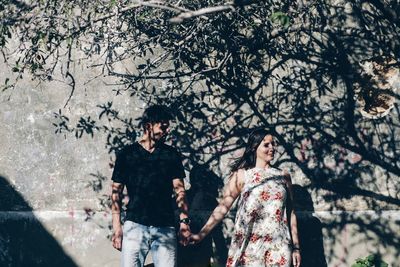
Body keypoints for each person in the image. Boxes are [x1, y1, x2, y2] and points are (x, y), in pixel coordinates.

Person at [189, 129, 301, 267]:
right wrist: (201, 234)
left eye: (273, 144)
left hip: (279, 245)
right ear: (255, 148)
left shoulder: (283, 176)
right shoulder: (242, 175)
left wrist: (296, 248)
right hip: (250, 246)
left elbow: (291, 212)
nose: (272, 148)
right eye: (266, 145)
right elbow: (223, 208)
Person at [110, 104, 191, 267]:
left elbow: (180, 191)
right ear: (148, 126)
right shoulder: (127, 154)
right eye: (163, 126)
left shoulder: (171, 154)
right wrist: (117, 227)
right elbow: (116, 192)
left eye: (168, 127)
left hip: (165, 226)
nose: (167, 131)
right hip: (134, 225)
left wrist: (184, 223)